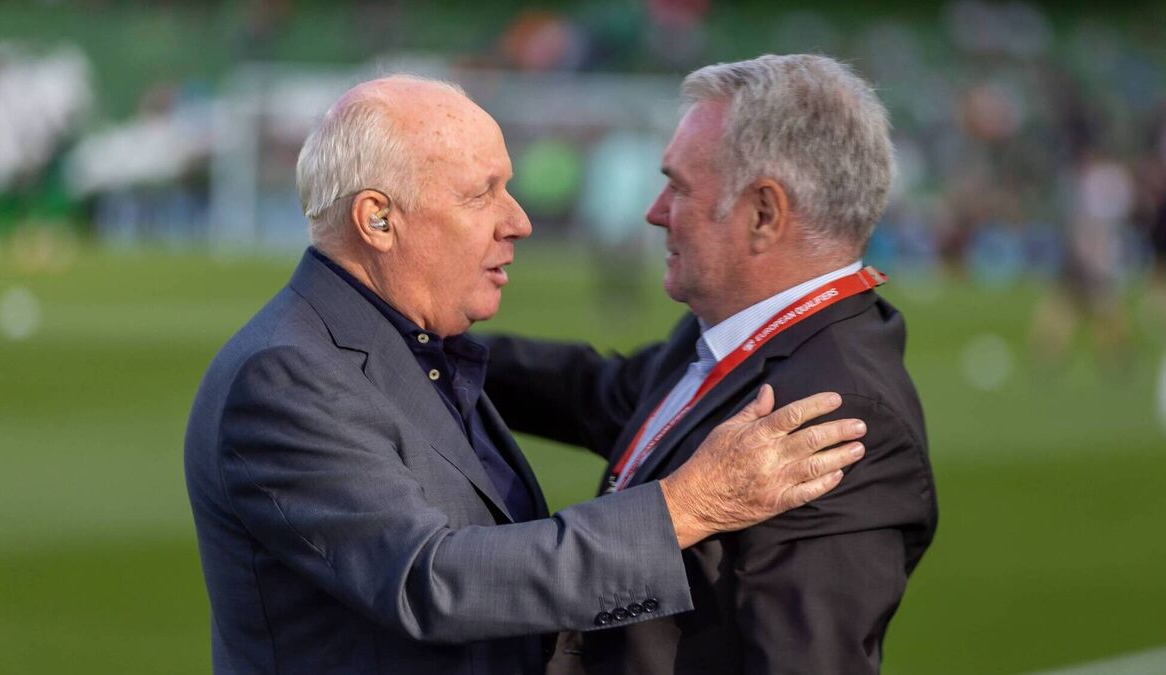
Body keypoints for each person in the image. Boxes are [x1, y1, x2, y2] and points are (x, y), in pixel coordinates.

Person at [183, 75, 868, 675]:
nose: (519, 221)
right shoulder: (285, 378)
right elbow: (432, 581)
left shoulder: (418, 344)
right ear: (379, 219)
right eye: (482, 194)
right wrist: (687, 507)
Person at [485, 54, 939, 673]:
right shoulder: (729, 331)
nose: (655, 211)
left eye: (678, 187)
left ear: (764, 214)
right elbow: (598, 392)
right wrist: (428, 342)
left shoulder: (833, 415)